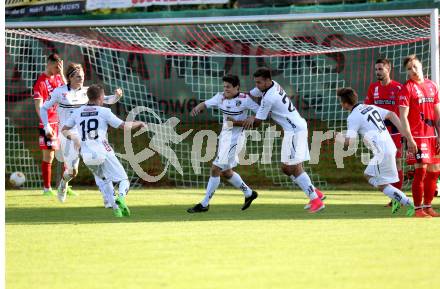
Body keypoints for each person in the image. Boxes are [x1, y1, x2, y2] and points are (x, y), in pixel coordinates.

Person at [232, 67, 326, 213]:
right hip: (292, 130)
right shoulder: (271, 84)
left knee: (294, 167)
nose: (257, 85)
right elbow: (249, 94)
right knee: (286, 168)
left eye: (259, 82)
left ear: (268, 80)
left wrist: (242, 120)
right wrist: (234, 96)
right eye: (256, 82)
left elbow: (257, 123)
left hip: (296, 130)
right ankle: (316, 193)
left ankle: (316, 200)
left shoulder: (270, 97)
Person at [40, 63, 123, 204]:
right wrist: (47, 127)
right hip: (67, 135)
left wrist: (116, 96)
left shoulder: (86, 92)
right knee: (73, 172)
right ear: (70, 77)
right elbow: (44, 108)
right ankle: (63, 183)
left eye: (83, 76)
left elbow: (107, 99)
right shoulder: (59, 92)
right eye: (78, 76)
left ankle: (108, 199)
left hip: (86, 135)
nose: (81, 79)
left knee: (98, 164)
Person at [62, 85, 145, 217]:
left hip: (86, 155)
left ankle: (116, 209)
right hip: (102, 150)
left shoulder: (78, 112)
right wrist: (139, 123)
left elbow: (64, 129)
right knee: (124, 180)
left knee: (105, 181)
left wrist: (74, 137)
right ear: (101, 97)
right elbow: (124, 126)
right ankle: (121, 197)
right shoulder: (104, 111)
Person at [336, 87, 415, 216]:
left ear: (344, 104)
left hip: (381, 152)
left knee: (380, 183)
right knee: (370, 176)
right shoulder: (370, 107)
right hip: (390, 147)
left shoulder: (353, 117)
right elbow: (392, 114)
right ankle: (399, 198)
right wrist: (405, 133)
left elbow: (349, 143)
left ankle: (408, 203)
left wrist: (337, 137)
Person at [186, 75, 259, 213]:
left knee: (215, 168)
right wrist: (198, 107)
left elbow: (262, 112)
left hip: (236, 138)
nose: (226, 89)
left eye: (229, 87)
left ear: (237, 87)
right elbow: (206, 103)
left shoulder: (245, 99)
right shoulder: (220, 97)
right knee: (226, 172)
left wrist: (252, 117)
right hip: (225, 136)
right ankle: (249, 193)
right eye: (224, 86)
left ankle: (204, 203)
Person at [399, 54, 440, 218]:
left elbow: (438, 114)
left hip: (432, 136)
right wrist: (409, 138)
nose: (413, 70)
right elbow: (403, 117)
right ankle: (418, 210)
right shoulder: (407, 88)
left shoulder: (432, 86)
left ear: (421, 66)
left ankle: (428, 206)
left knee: (435, 171)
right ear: (407, 72)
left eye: (415, 66)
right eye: (409, 69)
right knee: (420, 171)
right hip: (417, 137)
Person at [364, 58, 404, 207]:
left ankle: (396, 199)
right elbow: (367, 110)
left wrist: (405, 132)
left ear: (389, 69)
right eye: (376, 70)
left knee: (397, 162)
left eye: (380, 69)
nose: (378, 72)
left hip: (394, 132)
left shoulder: (399, 88)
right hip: (379, 133)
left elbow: (403, 112)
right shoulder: (373, 88)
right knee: (385, 163)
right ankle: (395, 195)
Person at [33, 53, 65, 196]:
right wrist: (46, 125)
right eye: (56, 67)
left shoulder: (59, 77)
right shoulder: (40, 82)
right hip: (49, 123)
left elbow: (69, 92)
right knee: (49, 157)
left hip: (61, 121)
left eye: (60, 67)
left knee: (66, 154)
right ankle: (47, 189)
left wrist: (62, 74)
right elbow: (38, 106)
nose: (58, 70)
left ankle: (65, 187)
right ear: (49, 64)